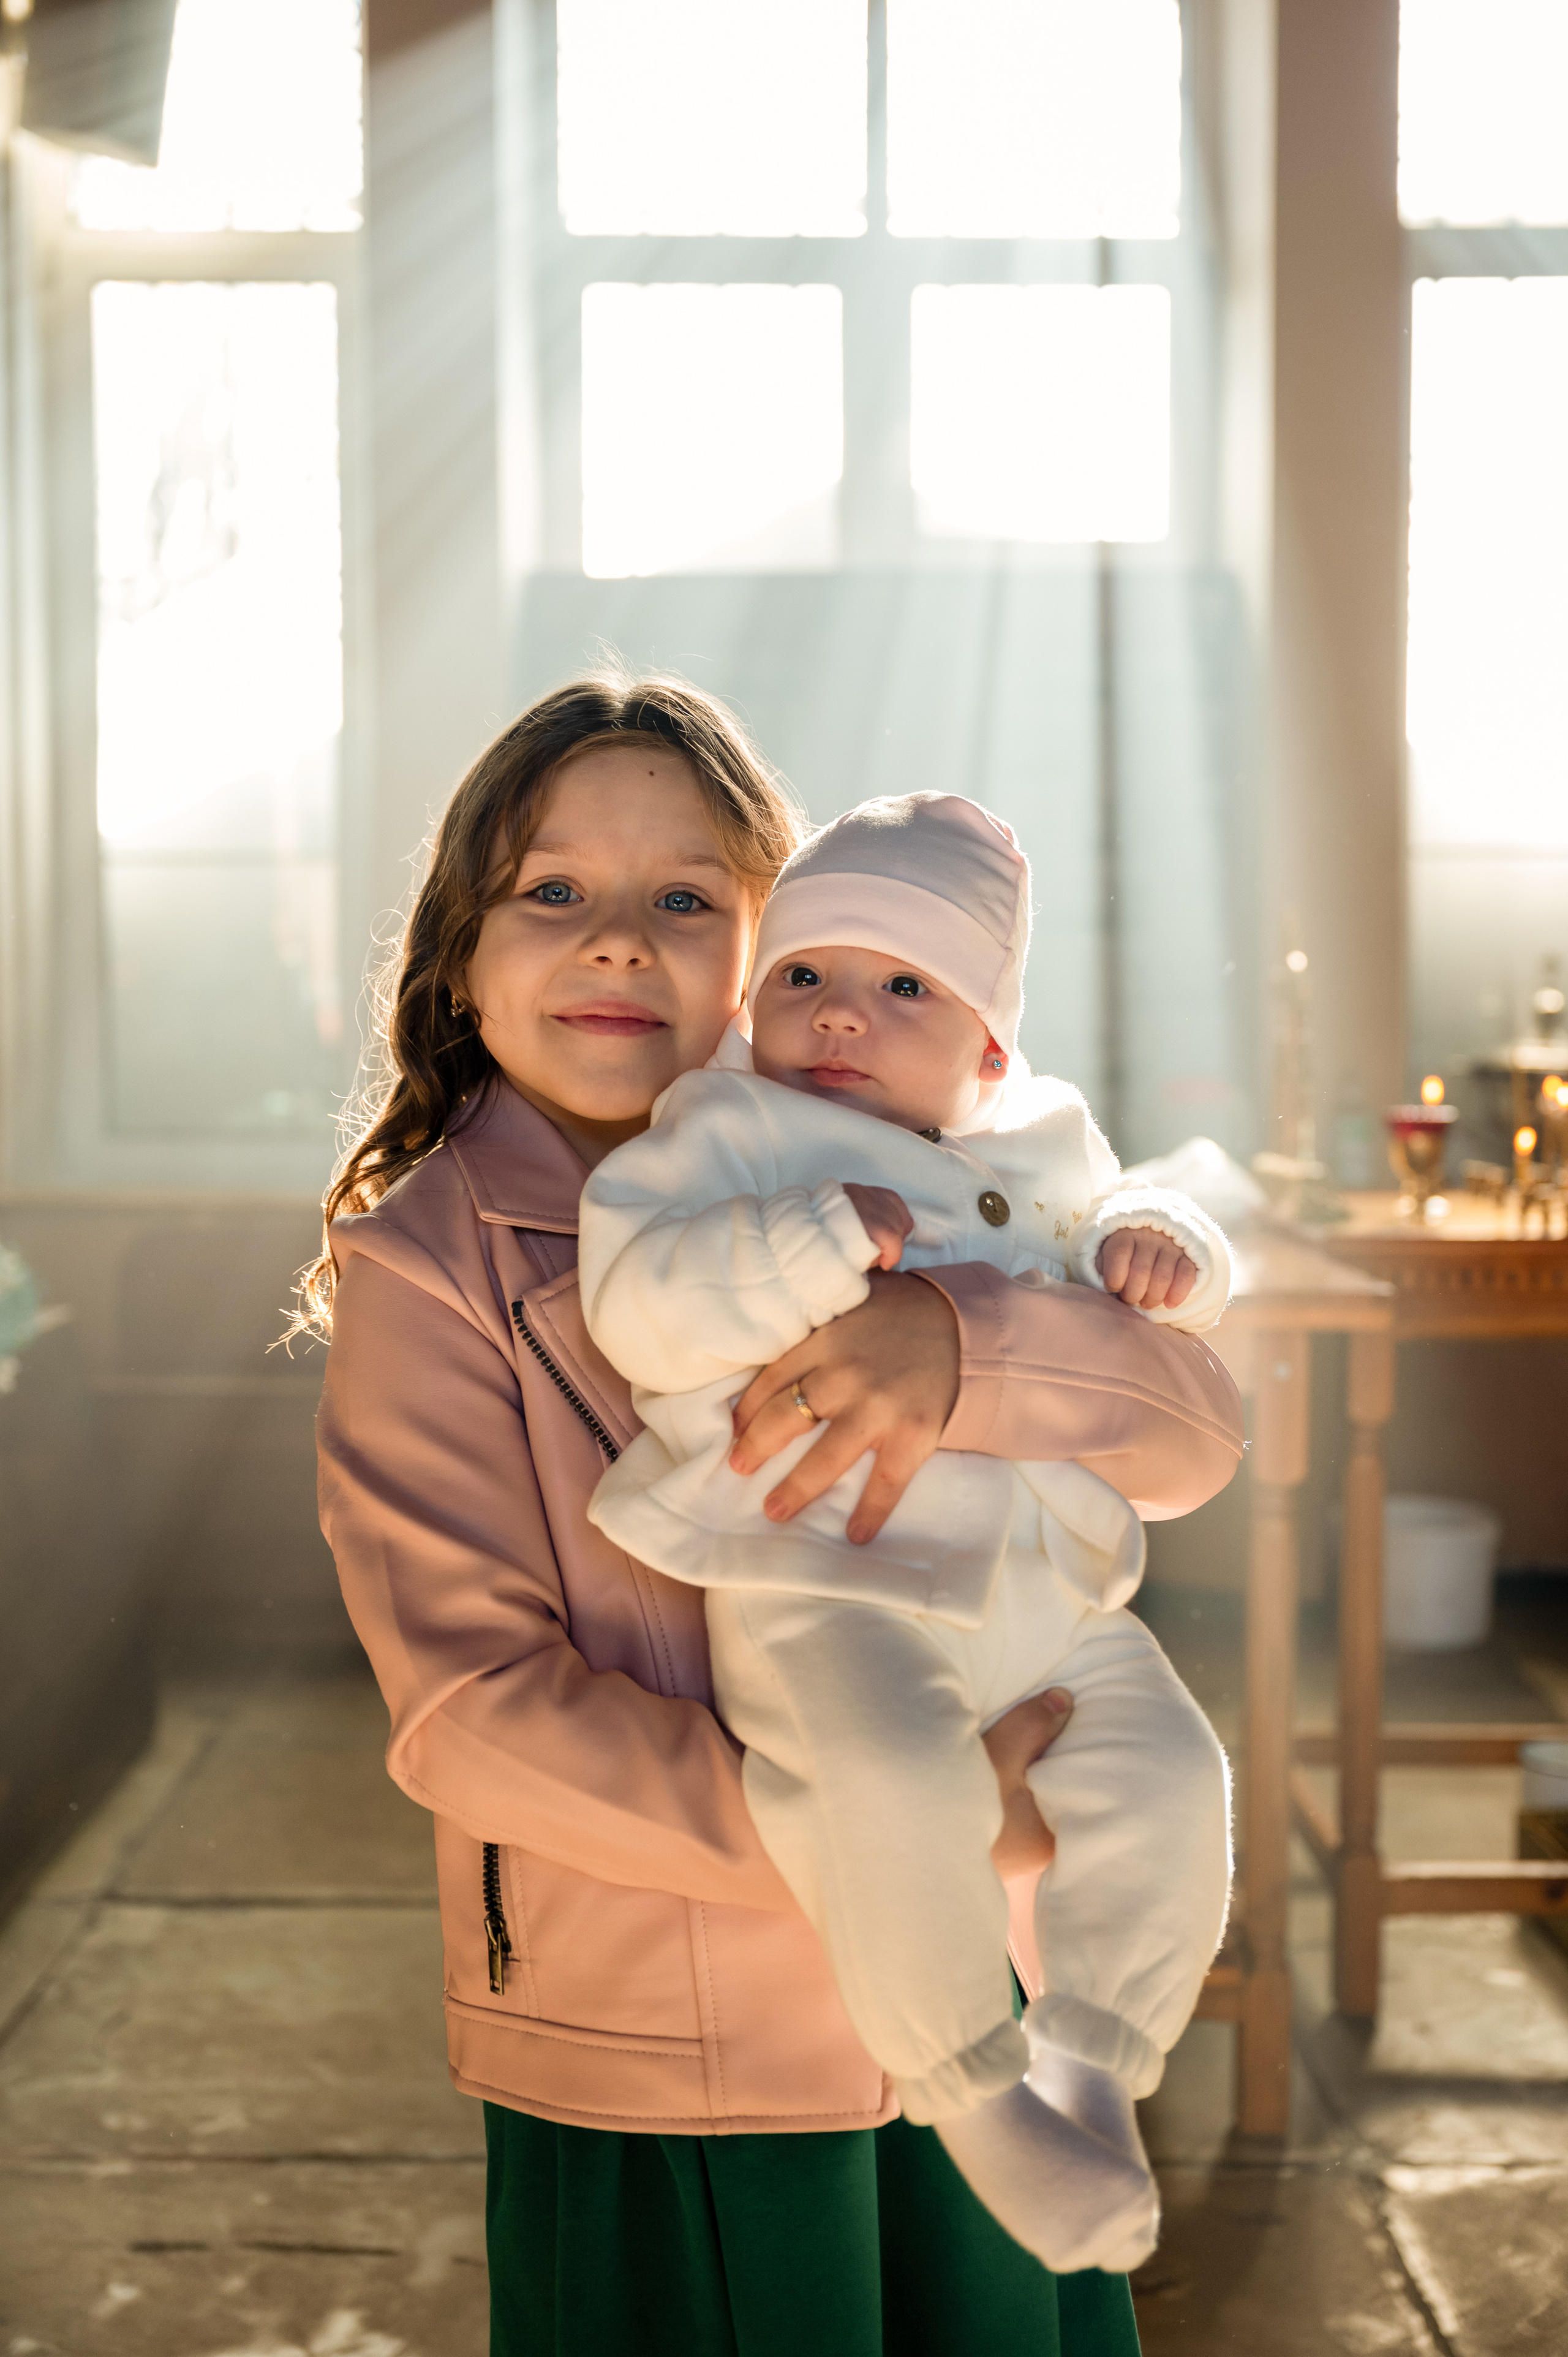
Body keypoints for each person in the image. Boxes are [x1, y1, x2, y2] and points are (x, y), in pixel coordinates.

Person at [311, 673, 1246, 2356]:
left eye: (686, 898)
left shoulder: (938, 1177)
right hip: (667, 2043)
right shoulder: (428, 1272)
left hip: (987, 2000)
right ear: (459, 951)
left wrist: (957, 1349)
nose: (615, 942)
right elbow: (469, 1717)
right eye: (551, 892)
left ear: (771, 954)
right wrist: (918, 1817)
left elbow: (1192, 1442)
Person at [577, 793, 1234, 2277]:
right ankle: (972, 2091)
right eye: (804, 977)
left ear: (986, 1052)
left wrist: (1168, 1251)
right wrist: (809, 1242)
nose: (841, 1019)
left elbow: (1153, 1251)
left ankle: (1093, 2056)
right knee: (875, 1781)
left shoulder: (1047, 1143)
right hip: (823, 1577)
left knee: (1173, 1775)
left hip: (1048, 1601)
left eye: (902, 989)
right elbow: (639, 1300)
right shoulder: (727, 1131)